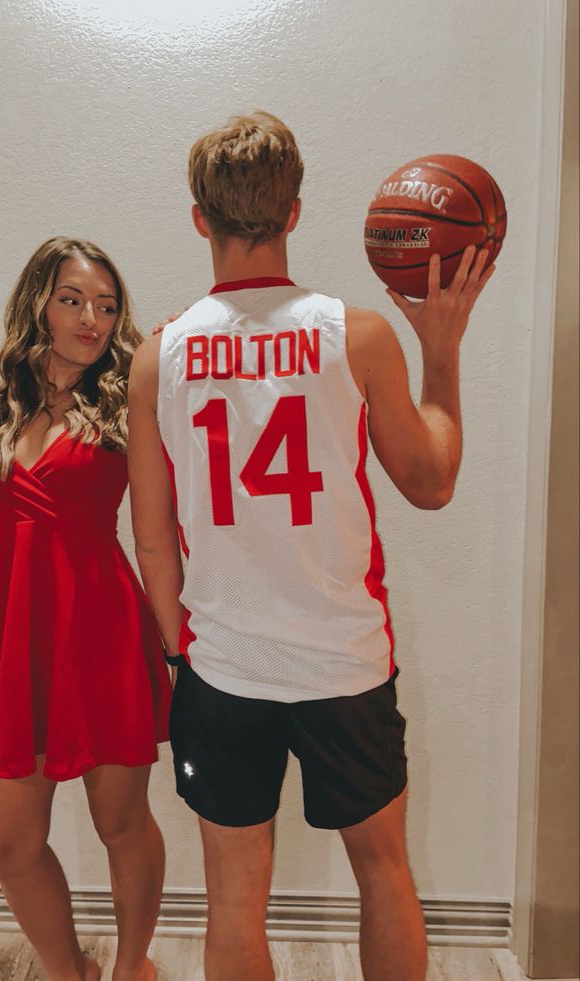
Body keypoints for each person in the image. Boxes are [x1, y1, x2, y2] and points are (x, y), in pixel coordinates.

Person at [127, 112, 494, 981]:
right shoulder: (356, 334)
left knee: (233, 903)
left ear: (196, 217)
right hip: (346, 667)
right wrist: (441, 354)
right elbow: (432, 481)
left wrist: (186, 654)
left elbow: (151, 537)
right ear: (295, 212)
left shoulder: (160, 356)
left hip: (224, 672)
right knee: (384, 872)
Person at [0, 236, 171, 981]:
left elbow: (165, 523)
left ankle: (129, 966)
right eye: (73, 300)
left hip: (105, 626)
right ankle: (66, 970)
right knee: (9, 841)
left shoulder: (128, 399)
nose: (92, 318)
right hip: (20, 633)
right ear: (38, 306)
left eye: (107, 306)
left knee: (121, 822)